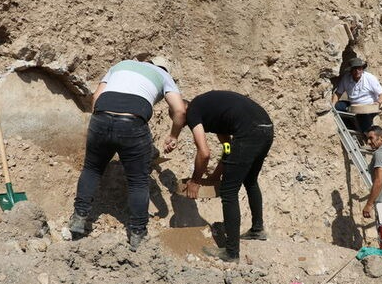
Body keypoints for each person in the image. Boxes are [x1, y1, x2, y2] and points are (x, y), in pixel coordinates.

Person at [69, 56, 186, 251]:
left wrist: (103, 122)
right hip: (132, 122)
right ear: (163, 68)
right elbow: (180, 111)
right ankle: (138, 234)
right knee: (138, 181)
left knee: (91, 169)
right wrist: (173, 135)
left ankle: (79, 218)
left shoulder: (120, 65)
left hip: (101, 116)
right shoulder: (163, 74)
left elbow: (96, 98)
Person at [185, 91, 274, 263]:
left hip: (250, 132)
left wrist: (195, 181)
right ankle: (257, 229)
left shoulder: (192, 111)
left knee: (229, 191)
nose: (183, 125)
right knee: (250, 180)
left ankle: (231, 252)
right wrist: (217, 174)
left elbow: (204, 153)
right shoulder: (217, 115)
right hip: (265, 129)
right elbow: (227, 147)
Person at [331, 57, 382, 132]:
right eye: (355, 69)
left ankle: (365, 134)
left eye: (359, 69)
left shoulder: (369, 78)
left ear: (362, 69)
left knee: (364, 123)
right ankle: (349, 126)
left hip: (368, 107)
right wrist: (333, 104)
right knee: (338, 107)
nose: (357, 71)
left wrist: (378, 103)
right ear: (351, 70)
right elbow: (338, 93)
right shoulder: (346, 78)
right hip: (353, 105)